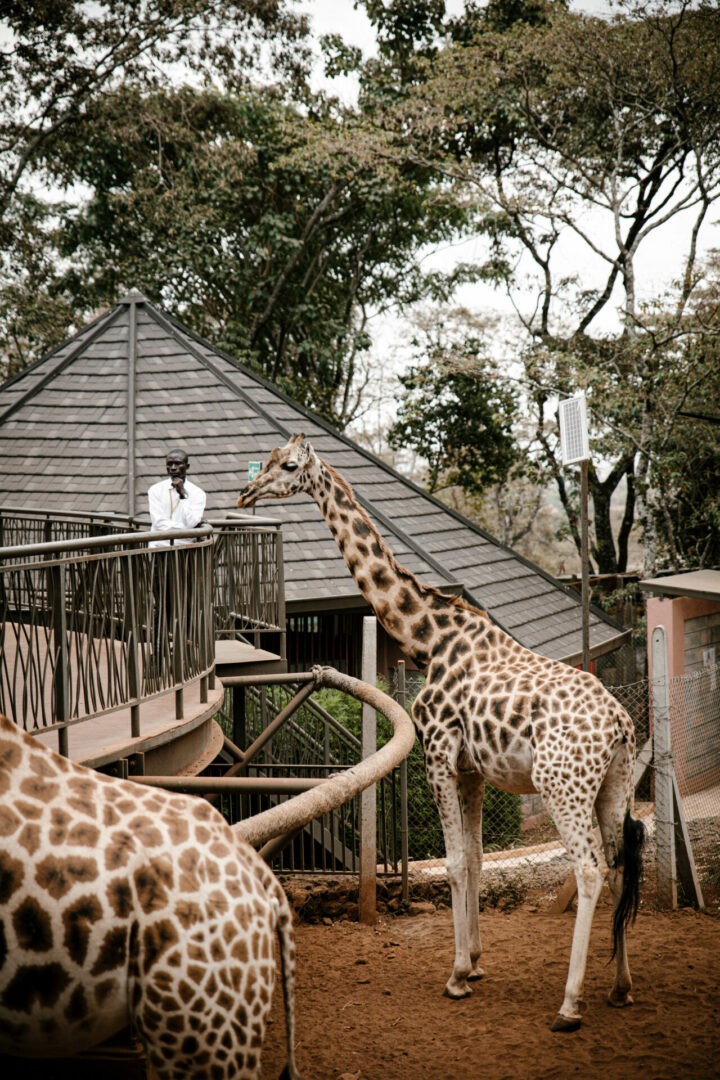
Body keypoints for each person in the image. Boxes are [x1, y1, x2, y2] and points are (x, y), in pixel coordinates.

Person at [148, 449, 206, 547]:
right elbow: (158, 523)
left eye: (178, 464)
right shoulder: (155, 490)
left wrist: (183, 494)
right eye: (169, 464)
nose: (173, 468)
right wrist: (188, 529)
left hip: (186, 549)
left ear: (187, 467)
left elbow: (191, 522)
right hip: (159, 547)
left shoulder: (198, 493)